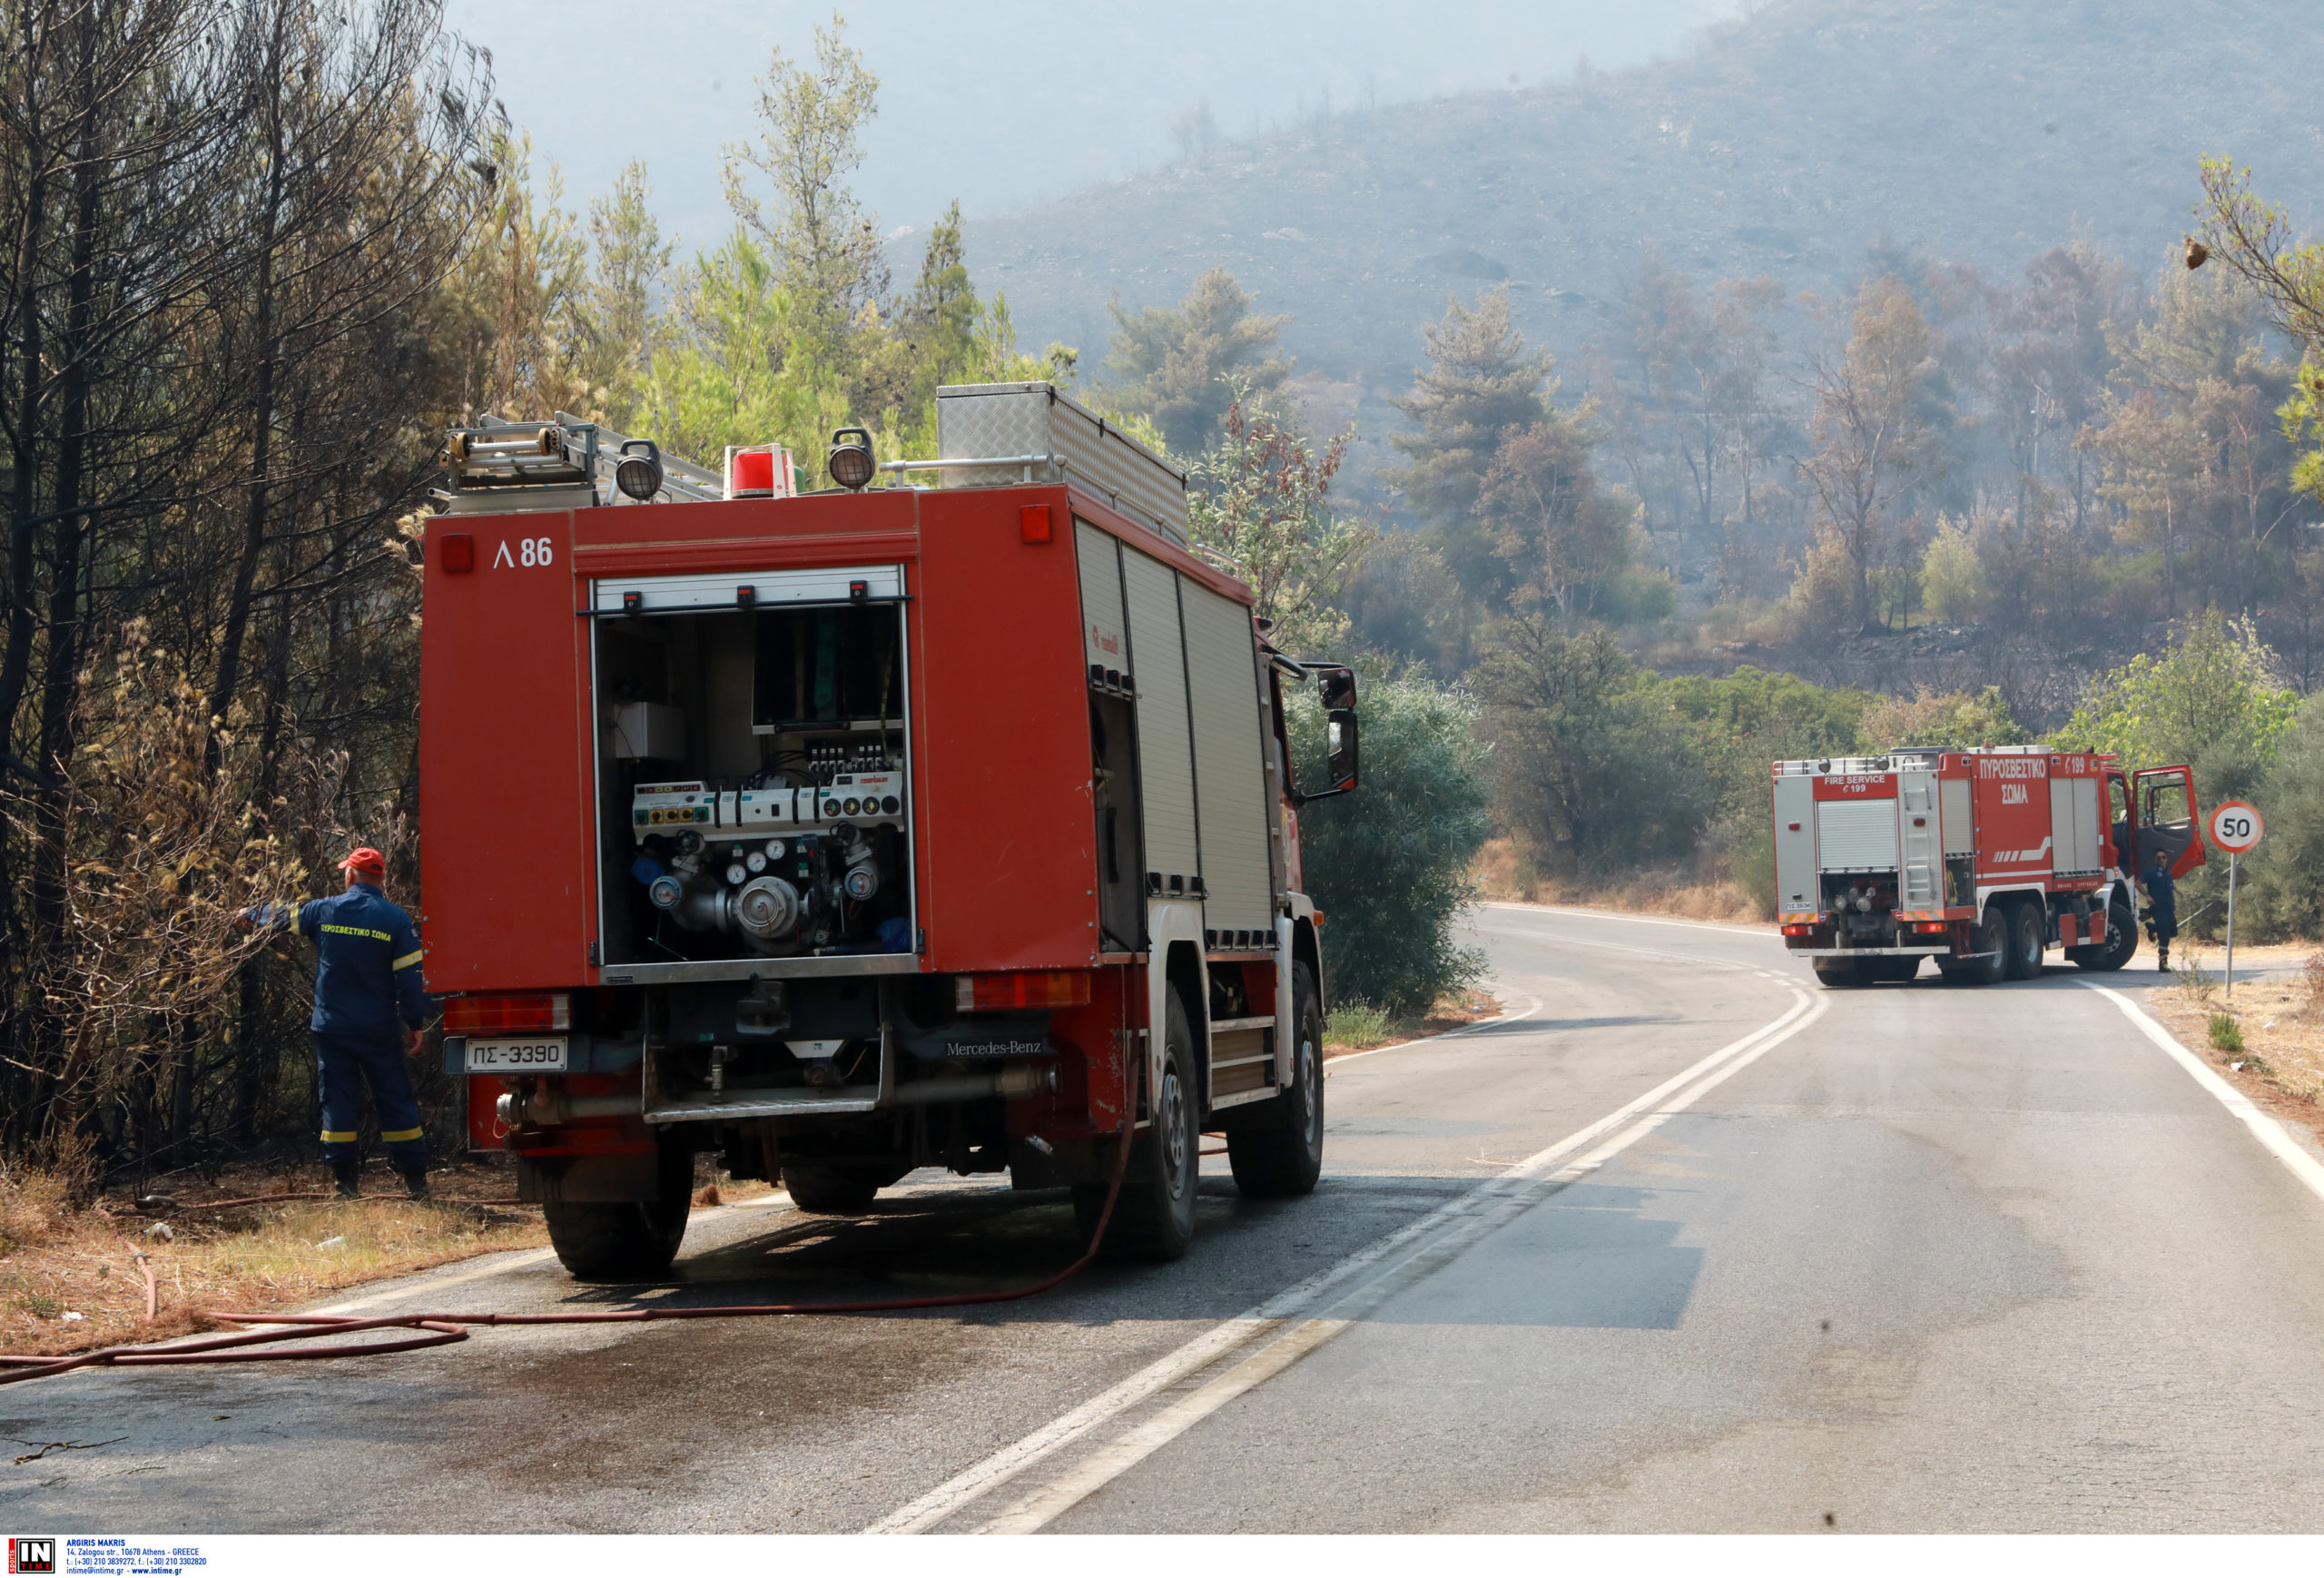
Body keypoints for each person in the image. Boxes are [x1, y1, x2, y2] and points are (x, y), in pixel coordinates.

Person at [243, 847, 433, 1198]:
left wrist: (248, 914)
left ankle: (346, 1188)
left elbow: (281, 916)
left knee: (338, 1101)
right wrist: (415, 1022)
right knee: (394, 1099)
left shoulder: (325, 909)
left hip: (332, 1029)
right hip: (378, 1029)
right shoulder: (395, 920)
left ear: (349, 875)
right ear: (382, 878)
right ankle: (416, 1185)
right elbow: (410, 980)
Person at [2140, 847, 2178, 972]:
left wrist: (2177, 891)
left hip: (2169, 907)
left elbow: (2169, 885)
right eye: (2159, 858)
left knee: (2173, 931)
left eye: (2164, 857)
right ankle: (2163, 963)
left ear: (2167, 859)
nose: (2162, 860)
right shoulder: (2152, 872)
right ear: (2155, 860)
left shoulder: (2167, 871)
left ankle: (2152, 927)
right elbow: (2138, 883)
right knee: (2164, 936)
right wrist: (2147, 895)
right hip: (2158, 907)